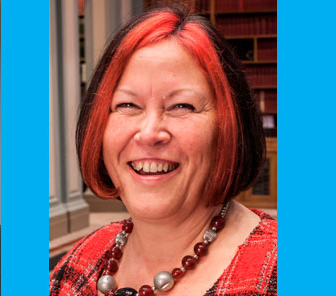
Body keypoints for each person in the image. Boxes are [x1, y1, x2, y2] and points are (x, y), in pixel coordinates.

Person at [49, 7, 276, 296]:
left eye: (182, 106)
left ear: (228, 128)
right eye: (127, 105)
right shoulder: (79, 261)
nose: (149, 133)